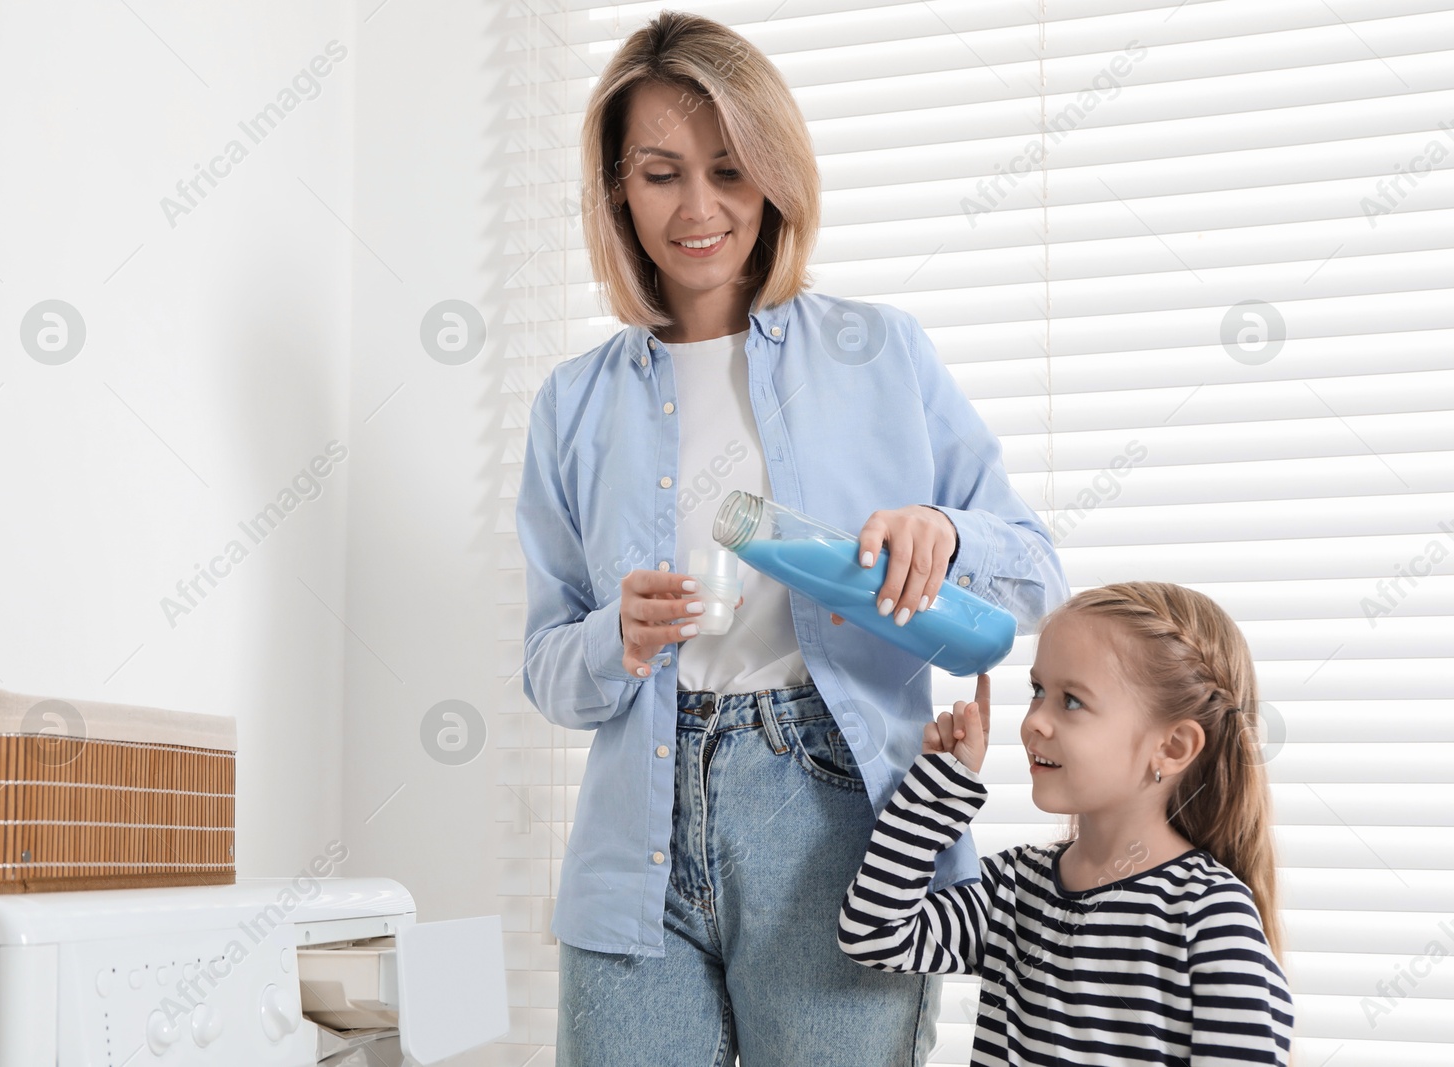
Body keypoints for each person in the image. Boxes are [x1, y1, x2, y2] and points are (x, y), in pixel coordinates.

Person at [516, 11, 1068, 1065]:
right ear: (617, 189)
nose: (699, 207)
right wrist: (613, 641)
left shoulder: (879, 354)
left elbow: (1036, 572)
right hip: (633, 827)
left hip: (835, 821)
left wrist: (944, 534)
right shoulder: (571, 405)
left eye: (729, 168)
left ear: (774, 174)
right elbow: (548, 670)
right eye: (660, 172)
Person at [838, 581, 1294, 1066]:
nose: (1034, 721)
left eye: (1071, 700)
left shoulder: (1207, 916)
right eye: (1038, 691)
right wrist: (939, 788)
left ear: (1173, 747)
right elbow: (875, 932)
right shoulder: (1013, 889)